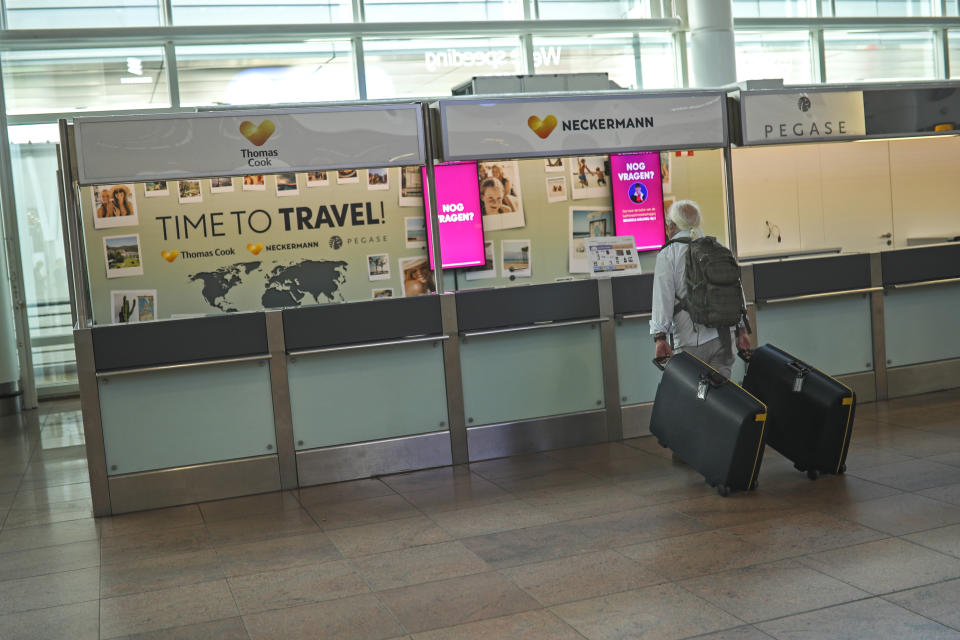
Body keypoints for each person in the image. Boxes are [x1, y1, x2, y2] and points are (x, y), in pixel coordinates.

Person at [651, 200, 750, 379]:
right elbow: (736, 289)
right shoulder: (717, 247)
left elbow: (662, 299)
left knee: (693, 398)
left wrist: (660, 338)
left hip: (689, 341)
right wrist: (742, 330)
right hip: (724, 338)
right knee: (721, 399)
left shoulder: (668, 254)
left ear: (672, 225)